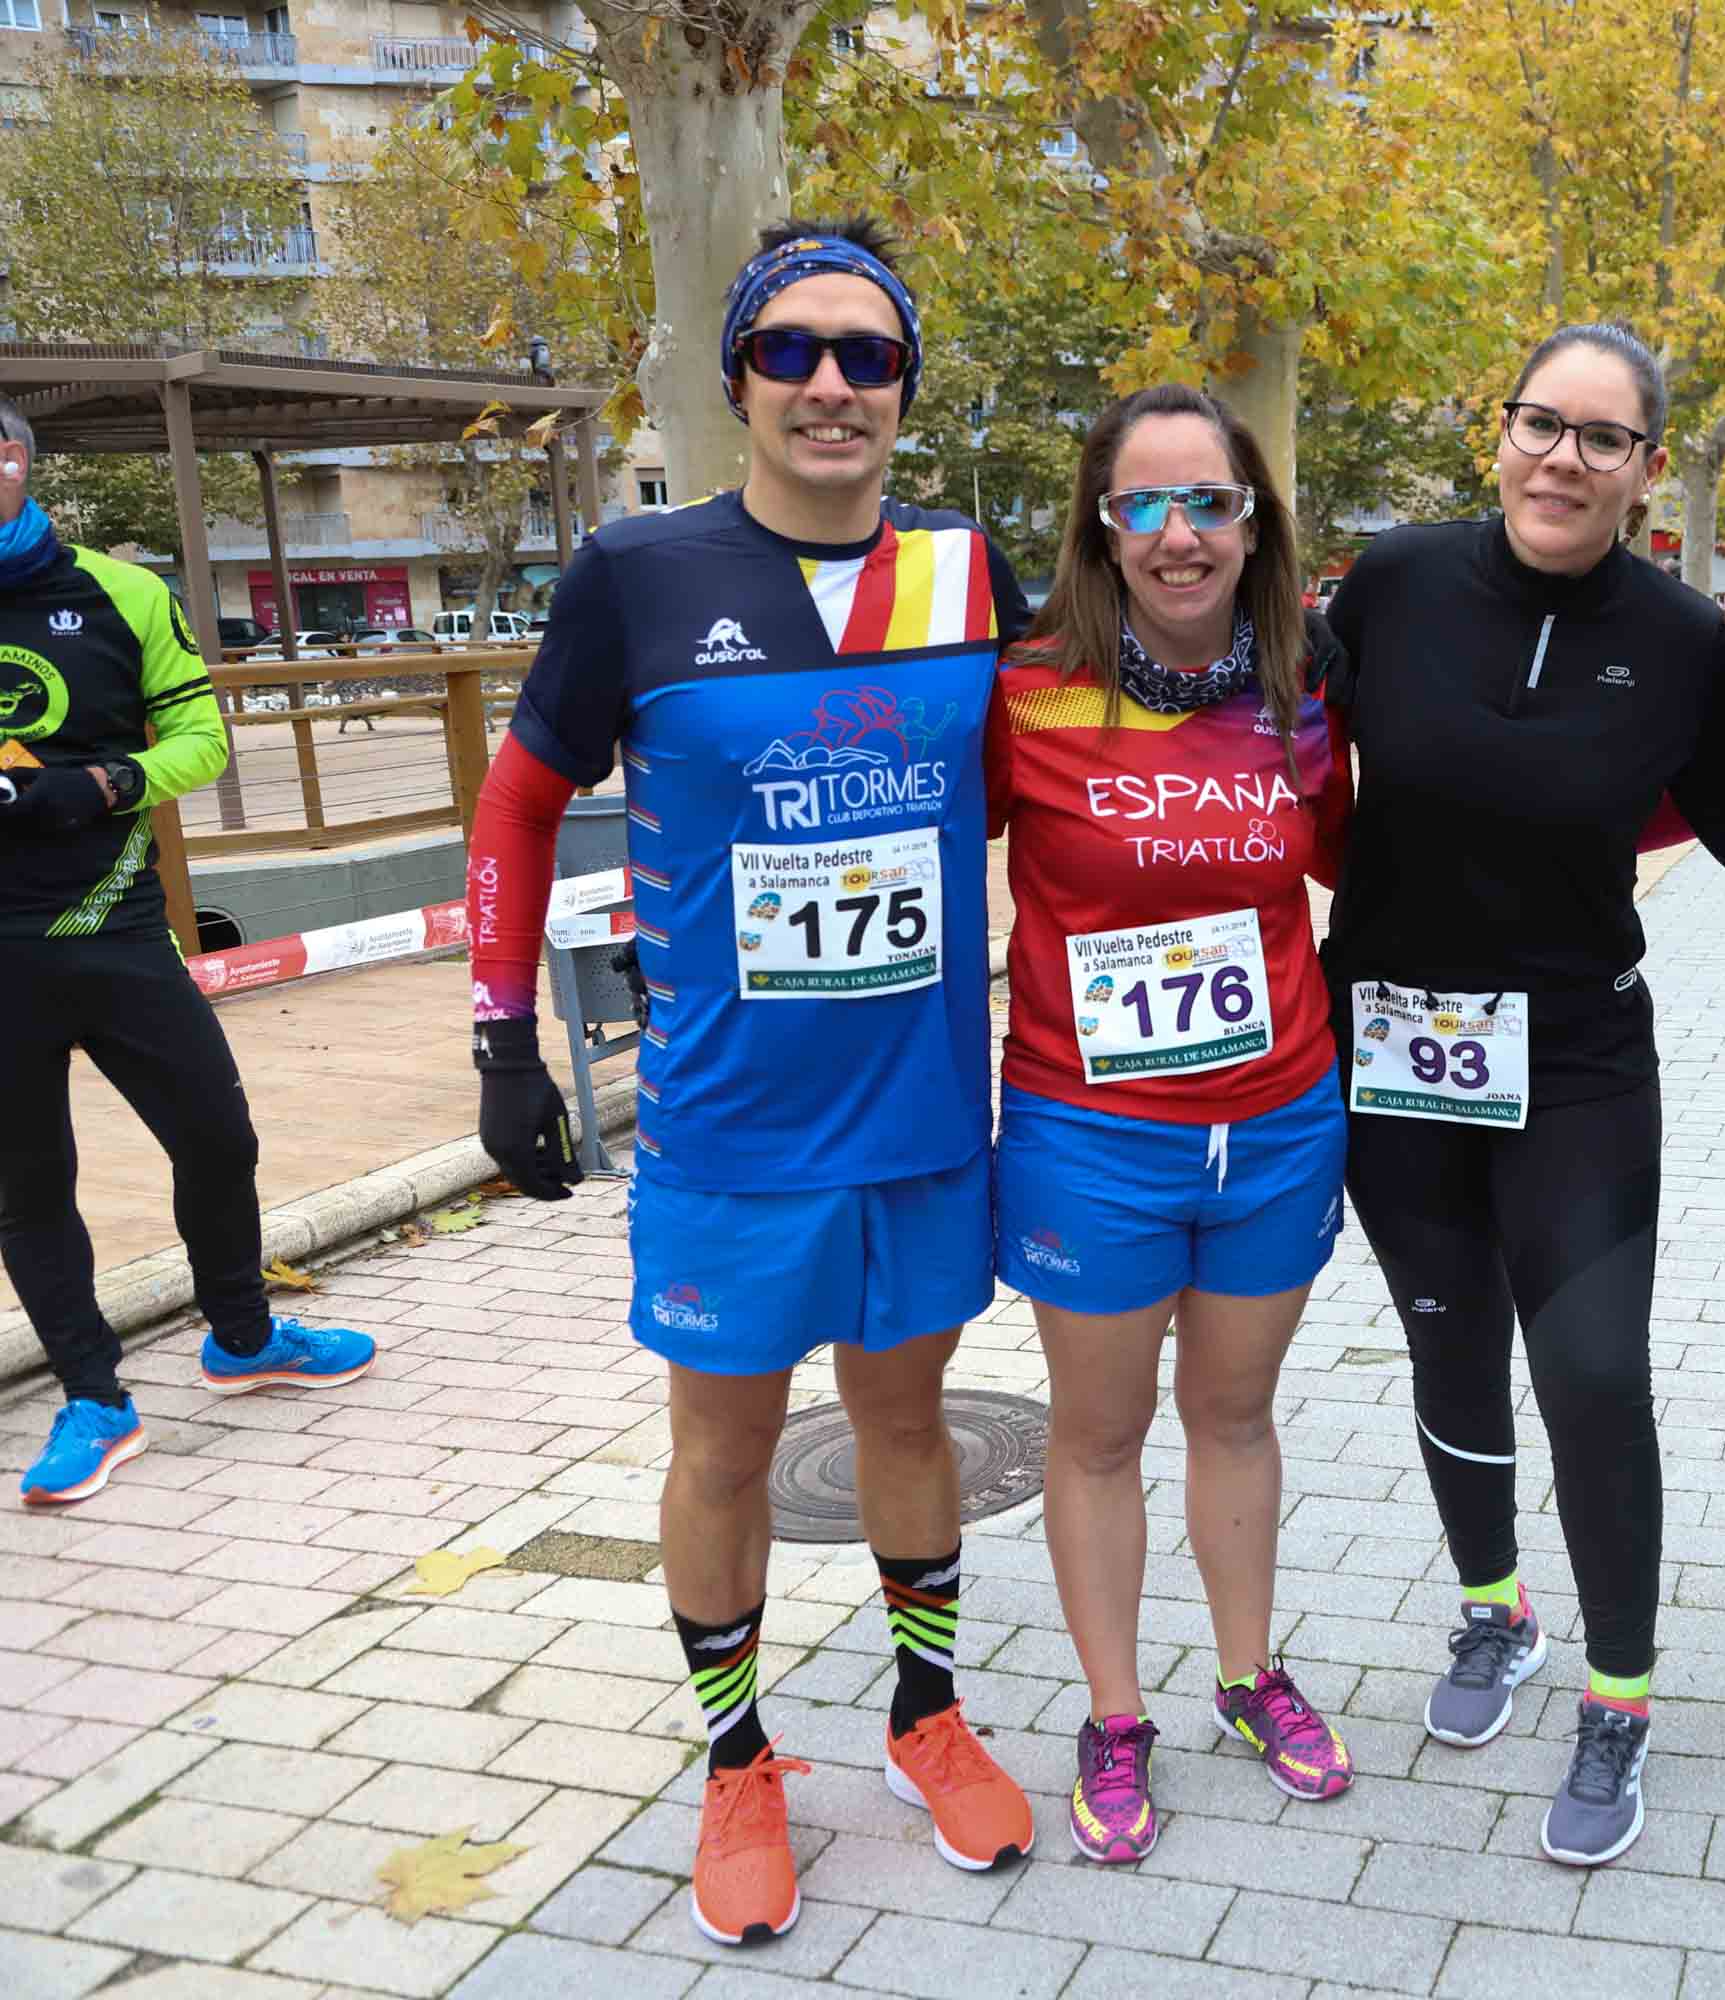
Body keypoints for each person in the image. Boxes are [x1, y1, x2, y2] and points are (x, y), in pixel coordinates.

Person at [463, 216, 1035, 1946]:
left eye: (870, 357)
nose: (832, 385)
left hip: (927, 1115)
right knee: (720, 1451)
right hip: (731, 1133)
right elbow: (518, 798)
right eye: (794, 351)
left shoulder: (965, 573)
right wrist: (502, 1034)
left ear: (905, 393)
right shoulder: (638, 573)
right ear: (738, 381)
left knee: (909, 1421)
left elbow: (1020, 795)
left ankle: (925, 1713)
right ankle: (735, 1759)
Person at [1320, 322, 1725, 1867]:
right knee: (1449, 1350)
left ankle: (1621, 1696)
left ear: (1648, 470)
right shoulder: (1392, 585)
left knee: (1589, 1371)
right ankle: (1491, 1613)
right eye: (1540, 424)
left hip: (1577, 1055)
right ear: (1495, 434)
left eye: (1604, 438)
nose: (1563, 459)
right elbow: (1267, 761)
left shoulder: (1681, 637)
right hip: (1393, 1047)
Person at [990, 385, 1356, 1863]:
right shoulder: (1028, 694)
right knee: (1097, 1432)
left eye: (1209, 502)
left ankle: (1249, 1674)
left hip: (1275, 1122)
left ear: (1253, 520)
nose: (1179, 534)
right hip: (1091, 1129)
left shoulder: (1301, 692)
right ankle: (1114, 1712)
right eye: (1145, 504)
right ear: (1101, 522)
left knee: (1236, 1414)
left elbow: (1359, 863)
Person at [0, 397, 378, 1509]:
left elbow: (201, 737)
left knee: (218, 1135)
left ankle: (244, 1334)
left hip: (117, 929)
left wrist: (98, 785)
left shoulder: (121, 592)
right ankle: (92, 1396)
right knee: (29, 1187)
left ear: (20, 461)